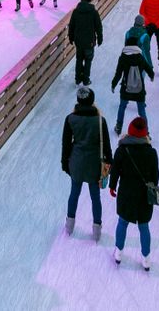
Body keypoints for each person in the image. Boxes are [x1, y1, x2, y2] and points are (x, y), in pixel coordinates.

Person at [62, 86, 112, 242]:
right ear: (92, 101)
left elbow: (66, 144)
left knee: (74, 194)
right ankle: (97, 231)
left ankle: (69, 226)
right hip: (94, 165)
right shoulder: (100, 121)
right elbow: (107, 146)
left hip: (76, 162)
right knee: (95, 197)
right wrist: (109, 164)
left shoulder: (70, 119)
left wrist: (65, 163)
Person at [109, 117, 159, 271]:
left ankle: (118, 253)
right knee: (144, 227)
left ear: (130, 130)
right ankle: (146, 259)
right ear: (145, 134)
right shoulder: (151, 153)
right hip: (144, 197)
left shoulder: (122, 150)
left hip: (126, 194)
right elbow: (155, 177)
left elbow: (115, 171)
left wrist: (112, 186)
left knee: (122, 223)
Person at [111, 30, 154, 135]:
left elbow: (118, 73)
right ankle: (146, 132)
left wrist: (113, 84)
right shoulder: (140, 57)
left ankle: (118, 127)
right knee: (141, 110)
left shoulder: (123, 57)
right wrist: (151, 75)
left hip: (126, 88)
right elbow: (148, 68)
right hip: (139, 89)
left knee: (122, 106)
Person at [68, 0, 103, 86]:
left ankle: (78, 79)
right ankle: (86, 80)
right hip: (89, 42)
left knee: (79, 59)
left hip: (79, 41)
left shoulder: (76, 12)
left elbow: (71, 26)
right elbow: (98, 27)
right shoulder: (93, 12)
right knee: (88, 61)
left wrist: (71, 37)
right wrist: (100, 38)